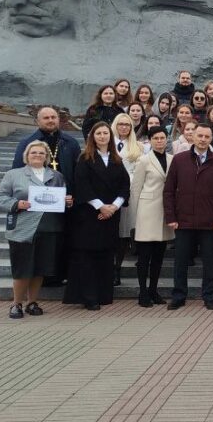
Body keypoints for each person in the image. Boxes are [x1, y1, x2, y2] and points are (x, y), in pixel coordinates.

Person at [0, 141, 72, 319]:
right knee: (22, 269)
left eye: (41, 153)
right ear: (26, 156)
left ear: (47, 156)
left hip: (48, 227)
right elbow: (0, 197)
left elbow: (60, 198)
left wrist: (66, 201)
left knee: (40, 268)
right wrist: (16, 203)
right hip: (23, 228)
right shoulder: (13, 175)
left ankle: (32, 302)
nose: (37, 155)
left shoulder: (56, 175)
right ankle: (16, 304)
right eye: (33, 153)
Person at [164, 124, 213, 310]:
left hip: (209, 222)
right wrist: (171, 216)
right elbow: (169, 190)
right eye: (199, 135)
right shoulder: (179, 160)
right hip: (183, 220)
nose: (202, 139)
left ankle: (209, 296)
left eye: (206, 136)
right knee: (180, 262)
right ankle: (179, 296)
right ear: (193, 137)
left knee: (209, 263)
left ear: (211, 139)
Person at [12, 106, 81, 286]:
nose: (50, 120)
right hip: (37, 207)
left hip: (65, 202)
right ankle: (40, 277)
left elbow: (77, 173)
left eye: (53, 117)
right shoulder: (28, 143)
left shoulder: (70, 143)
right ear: (38, 121)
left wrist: (73, 195)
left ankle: (60, 275)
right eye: (46, 118)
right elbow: (18, 173)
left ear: (58, 119)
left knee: (63, 239)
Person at [65, 122, 130, 311]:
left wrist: (114, 207)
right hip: (89, 216)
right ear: (92, 137)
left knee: (106, 255)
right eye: (98, 133)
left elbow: (125, 186)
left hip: (111, 215)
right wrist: (100, 207)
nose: (102, 136)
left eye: (105, 133)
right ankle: (88, 297)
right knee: (87, 258)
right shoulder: (85, 159)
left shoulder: (117, 160)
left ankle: (103, 294)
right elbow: (82, 186)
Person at [128, 126, 172, 307]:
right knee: (144, 256)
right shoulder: (143, 161)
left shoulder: (172, 159)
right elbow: (136, 189)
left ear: (167, 139)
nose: (160, 141)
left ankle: (153, 290)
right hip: (146, 212)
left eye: (162, 138)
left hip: (164, 212)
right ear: (150, 140)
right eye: (156, 138)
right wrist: (134, 219)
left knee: (159, 255)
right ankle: (143, 292)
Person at [111, 113, 143, 287]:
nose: (124, 127)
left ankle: (117, 269)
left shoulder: (138, 146)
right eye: (120, 124)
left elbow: (138, 171)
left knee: (123, 233)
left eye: (127, 125)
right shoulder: (105, 143)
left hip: (128, 193)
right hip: (107, 194)